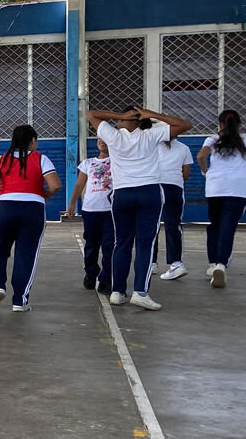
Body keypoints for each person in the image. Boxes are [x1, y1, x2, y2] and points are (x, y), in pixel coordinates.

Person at [88, 106, 192, 310]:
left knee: (122, 243)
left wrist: (119, 115)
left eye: (121, 120)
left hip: (122, 194)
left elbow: (92, 114)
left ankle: (117, 292)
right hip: (149, 193)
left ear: (125, 121)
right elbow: (185, 125)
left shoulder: (113, 136)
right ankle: (140, 292)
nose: (118, 122)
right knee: (145, 244)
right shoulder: (151, 135)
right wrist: (152, 114)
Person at [0, 125, 61, 312]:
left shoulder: (1, 159)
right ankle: (19, 301)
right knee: (26, 254)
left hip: (6, 207)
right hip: (34, 209)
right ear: (32, 140)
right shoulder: (41, 159)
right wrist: (45, 194)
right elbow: (55, 185)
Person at [197, 109, 246, 289]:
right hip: (238, 189)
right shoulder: (244, 141)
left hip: (215, 188)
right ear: (239, 125)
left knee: (214, 226)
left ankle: (212, 264)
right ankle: (221, 265)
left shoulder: (212, 139)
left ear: (220, 124)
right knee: (228, 228)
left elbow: (201, 155)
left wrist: (205, 171)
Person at [65, 138, 114, 293]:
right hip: (91, 210)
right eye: (99, 139)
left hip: (111, 211)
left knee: (109, 246)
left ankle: (106, 278)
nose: (102, 142)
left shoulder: (118, 161)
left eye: (106, 139)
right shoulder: (88, 163)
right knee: (91, 245)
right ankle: (91, 273)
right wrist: (72, 204)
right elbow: (79, 184)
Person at [154, 137, 193, 280]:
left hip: (155, 186)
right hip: (174, 188)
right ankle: (176, 264)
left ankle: (151, 262)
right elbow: (186, 174)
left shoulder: (152, 145)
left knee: (151, 225)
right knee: (173, 225)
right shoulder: (184, 148)